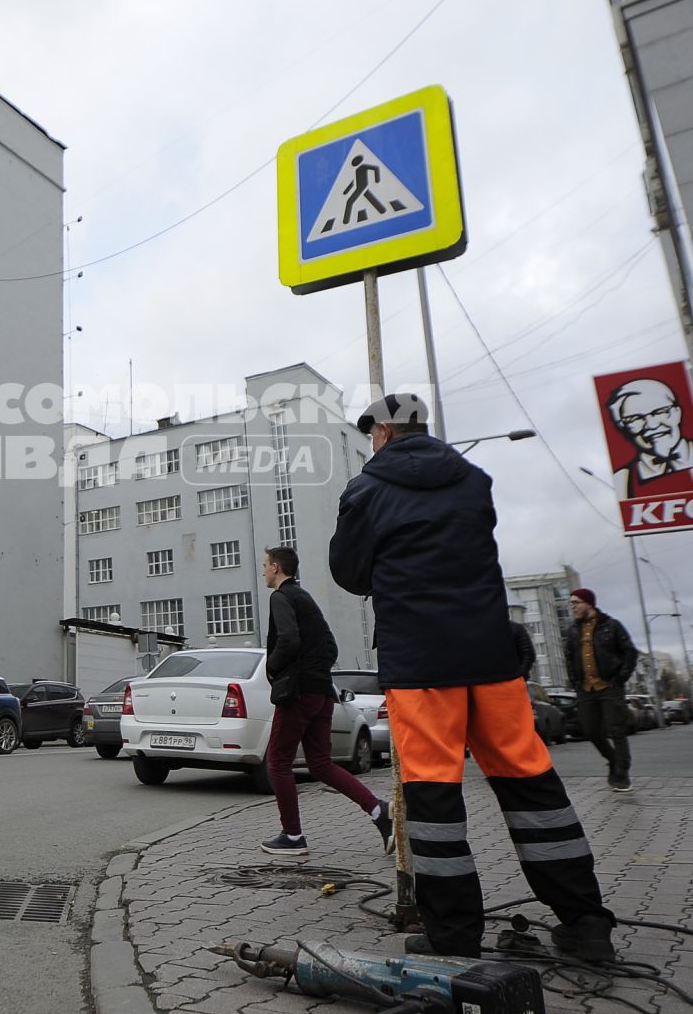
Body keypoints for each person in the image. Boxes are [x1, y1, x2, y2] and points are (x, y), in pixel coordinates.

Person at [331, 393, 617, 963]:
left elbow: (348, 571)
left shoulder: (366, 489)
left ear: (383, 433)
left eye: (371, 434)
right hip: (491, 657)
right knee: (532, 786)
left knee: (434, 798)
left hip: (422, 663)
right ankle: (585, 923)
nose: (370, 442)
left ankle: (453, 934)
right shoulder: (473, 479)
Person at [259, 546, 392, 857]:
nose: (263, 570)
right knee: (320, 764)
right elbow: (330, 646)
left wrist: (273, 668)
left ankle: (292, 836)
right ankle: (379, 812)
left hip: (298, 693)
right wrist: (315, 673)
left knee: (278, 762)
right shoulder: (305, 598)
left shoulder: (281, 596)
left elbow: (288, 639)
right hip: (322, 692)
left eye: (265, 565)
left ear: (277, 567)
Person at [561, 589, 638, 792]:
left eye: (576, 602)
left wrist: (620, 678)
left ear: (589, 603)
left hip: (609, 686)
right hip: (585, 688)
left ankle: (622, 773)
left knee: (616, 730)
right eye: (571, 603)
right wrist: (574, 681)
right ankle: (612, 759)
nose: (573, 607)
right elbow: (569, 658)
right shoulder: (572, 630)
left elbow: (630, 652)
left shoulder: (611, 626)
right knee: (590, 729)